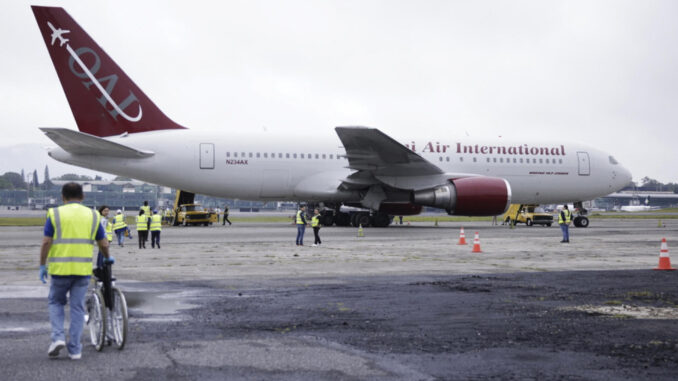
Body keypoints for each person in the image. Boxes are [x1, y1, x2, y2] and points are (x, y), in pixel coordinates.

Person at [39, 182, 113, 360]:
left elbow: (46, 242)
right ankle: (75, 349)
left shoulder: (55, 213)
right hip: (82, 270)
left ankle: (57, 337)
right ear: (83, 196)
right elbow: (103, 243)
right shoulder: (93, 215)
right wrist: (107, 257)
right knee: (77, 308)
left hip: (59, 269)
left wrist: (42, 264)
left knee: (56, 303)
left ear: (62, 197)